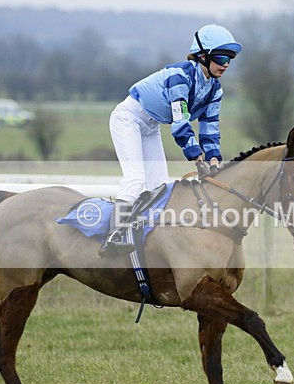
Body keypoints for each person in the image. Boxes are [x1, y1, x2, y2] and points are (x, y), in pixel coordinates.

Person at [99, 24, 242, 256]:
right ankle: (113, 236)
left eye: (230, 58)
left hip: (150, 126)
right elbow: (181, 123)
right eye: (221, 57)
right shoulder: (180, 77)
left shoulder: (215, 90)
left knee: (160, 187)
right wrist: (198, 159)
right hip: (128, 119)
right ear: (203, 56)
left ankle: (147, 242)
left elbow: (209, 129)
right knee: (136, 179)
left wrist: (214, 161)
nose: (226, 63)